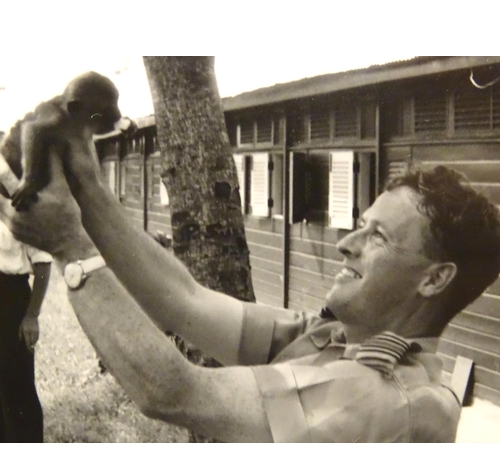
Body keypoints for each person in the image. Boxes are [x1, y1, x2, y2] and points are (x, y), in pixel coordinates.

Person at [1, 140, 500, 443]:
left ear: (435, 279)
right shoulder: (336, 337)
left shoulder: (390, 398)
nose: (346, 245)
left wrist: (71, 248)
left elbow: (175, 391)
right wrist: (85, 182)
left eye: (377, 238)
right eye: (358, 226)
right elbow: (185, 300)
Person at [0, 215, 52, 443]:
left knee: (16, 383)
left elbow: (43, 263)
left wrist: (31, 315)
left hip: (11, 301)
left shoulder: (21, 213)